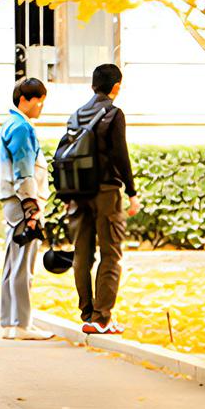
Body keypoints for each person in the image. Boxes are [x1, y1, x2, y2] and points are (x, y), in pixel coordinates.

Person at [61, 62, 137, 334]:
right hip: (106, 192)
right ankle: (101, 317)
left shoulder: (77, 114)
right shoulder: (114, 114)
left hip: (78, 193)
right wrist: (132, 192)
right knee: (110, 252)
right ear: (116, 86)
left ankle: (87, 312)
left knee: (82, 253)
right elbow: (120, 155)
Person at [0, 76, 56, 340]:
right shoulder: (22, 127)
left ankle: (10, 322)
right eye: (38, 101)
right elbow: (24, 169)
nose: (41, 106)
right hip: (24, 204)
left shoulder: (10, 124)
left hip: (14, 204)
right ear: (25, 99)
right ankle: (22, 324)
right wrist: (32, 208)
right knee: (23, 266)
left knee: (12, 264)